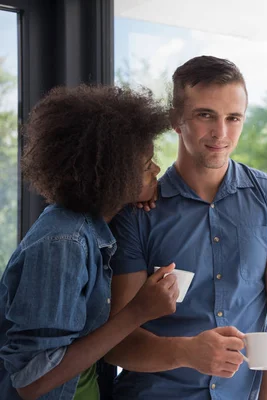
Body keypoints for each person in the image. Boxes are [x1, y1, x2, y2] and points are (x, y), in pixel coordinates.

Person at [106, 56, 267, 400]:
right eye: (205, 115)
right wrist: (185, 352)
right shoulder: (137, 214)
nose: (221, 133)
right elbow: (117, 341)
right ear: (176, 120)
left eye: (233, 118)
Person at [0, 85, 180, 400]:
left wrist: (127, 200)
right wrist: (137, 312)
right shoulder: (63, 244)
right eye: (145, 165)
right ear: (111, 175)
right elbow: (30, 381)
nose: (156, 170)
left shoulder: (86, 229)